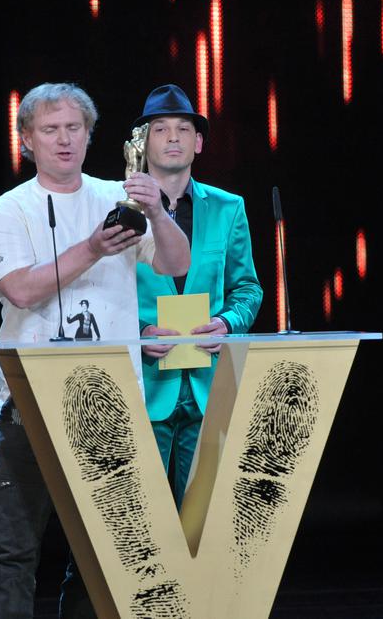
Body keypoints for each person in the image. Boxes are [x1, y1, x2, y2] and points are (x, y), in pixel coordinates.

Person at [0, 82, 190, 619]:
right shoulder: (8, 210)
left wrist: (158, 214)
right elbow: (21, 290)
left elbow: (176, 264)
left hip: (111, 405)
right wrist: (91, 248)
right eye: (50, 130)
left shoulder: (118, 198)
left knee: (110, 559)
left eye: (74, 128)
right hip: (31, 407)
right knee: (9, 554)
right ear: (26, 140)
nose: (63, 140)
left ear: (89, 136)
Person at [135, 84, 263, 508]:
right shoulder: (119, 210)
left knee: (202, 521)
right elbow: (99, 298)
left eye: (184, 129)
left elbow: (247, 288)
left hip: (209, 385)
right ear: (143, 143)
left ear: (199, 142)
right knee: (144, 518)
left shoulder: (228, 208)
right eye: (160, 129)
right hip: (144, 384)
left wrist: (226, 323)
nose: (173, 137)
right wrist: (139, 331)